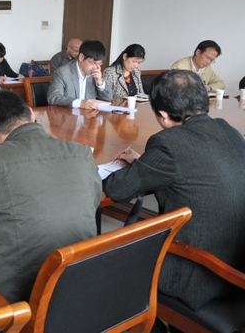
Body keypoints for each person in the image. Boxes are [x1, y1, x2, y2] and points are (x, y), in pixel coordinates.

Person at [0, 90, 101, 315]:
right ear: (31, 115)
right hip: (77, 288)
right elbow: (93, 202)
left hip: (10, 304)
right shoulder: (81, 153)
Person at [104, 69, 245, 314]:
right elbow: (194, 166)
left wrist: (142, 164)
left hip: (199, 275)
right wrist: (147, 162)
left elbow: (117, 188)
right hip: (237, 265)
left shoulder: (168, 143)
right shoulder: (229, 131)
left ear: (164, 115)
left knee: (108, 262)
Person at [47, 40, 113, 108]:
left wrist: (100, 83)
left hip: (89, 114)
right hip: (68, 113)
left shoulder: (95, 74)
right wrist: (80, 103)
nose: (96, 67)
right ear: (81, 57)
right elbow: (53, 98)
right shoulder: (62, 73)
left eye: (99, 64)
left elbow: (108, 97)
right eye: (92, 63)